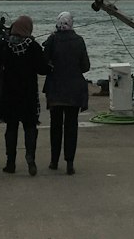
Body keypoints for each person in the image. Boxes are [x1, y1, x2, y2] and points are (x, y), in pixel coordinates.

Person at [0, 15, 49, 176]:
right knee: (30, 127)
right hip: (28, 94)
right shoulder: (32, 46)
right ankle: (30, 158)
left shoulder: (4, 45)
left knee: (11, 128)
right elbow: (43, 69)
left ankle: (10, 163)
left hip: (9, 94)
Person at [42, 12, 90, 175]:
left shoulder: (53, 40)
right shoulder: (79, 40)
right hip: (74, 90)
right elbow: (85, 67)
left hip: (55, 89)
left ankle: (54, 161)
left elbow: (44, 62)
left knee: (55, 126)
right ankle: (70, 162)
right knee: (71, 126)